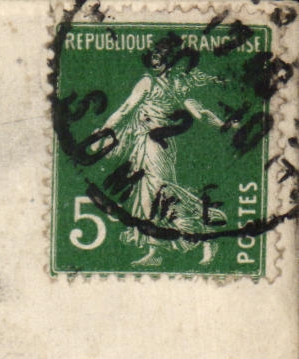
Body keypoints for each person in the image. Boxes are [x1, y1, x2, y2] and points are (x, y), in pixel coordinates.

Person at [96, 51, 229, 266]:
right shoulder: (160, 83)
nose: (155, 63)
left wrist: (223, 125)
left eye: (159, 58)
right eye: (152, 60)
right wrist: (224, 125)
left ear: (167, 60)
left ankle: (202, 237)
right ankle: (159, 249)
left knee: (158, 194)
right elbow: (126, 109)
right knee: (153, 196)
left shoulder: (161, 84)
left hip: (156, 145)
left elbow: (126, 109)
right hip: (149, 144)